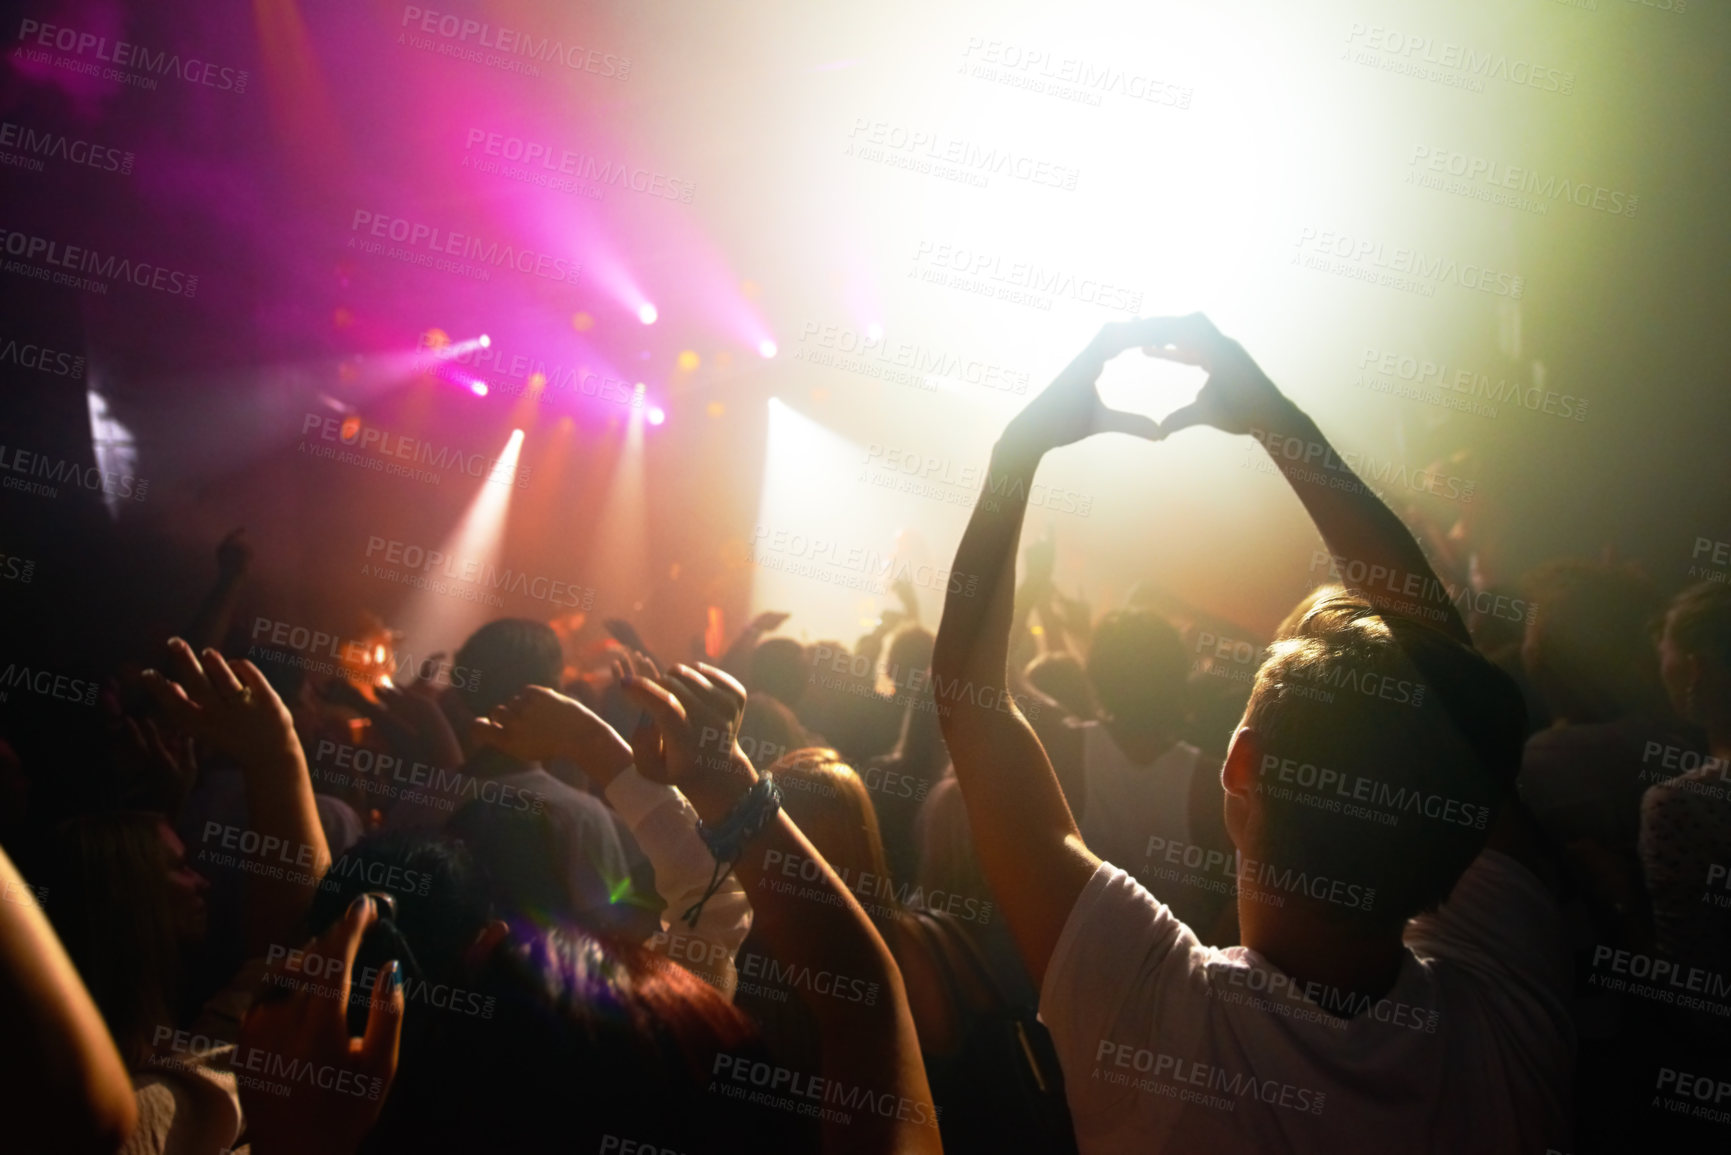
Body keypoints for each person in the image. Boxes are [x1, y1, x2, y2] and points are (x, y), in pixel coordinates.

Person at [932, 314, 1572, 1153]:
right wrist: (1281, 424)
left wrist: (1017, 453)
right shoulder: (1507, 1007)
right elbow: (1448, 692)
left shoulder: (1159, 1021)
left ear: (1241, 768)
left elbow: (967, 706)